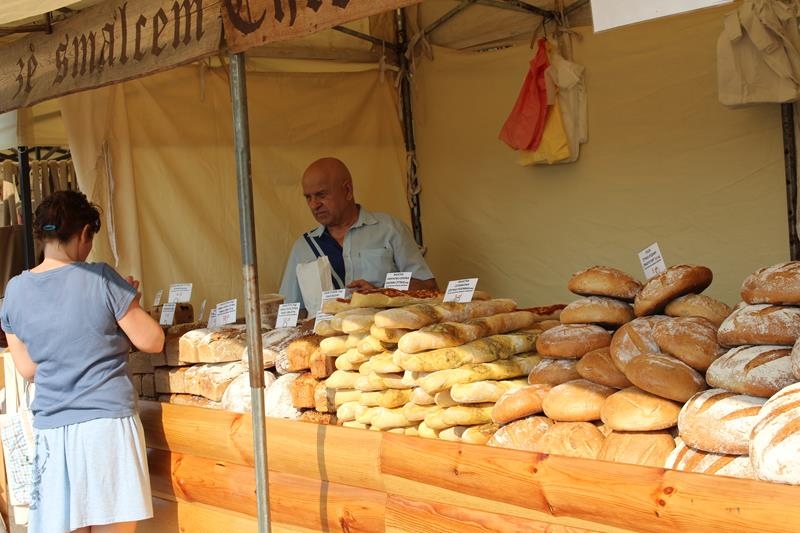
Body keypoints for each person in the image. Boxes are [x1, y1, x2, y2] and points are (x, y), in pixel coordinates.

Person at [0, 190, 164, 533]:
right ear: (85, 233)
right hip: (106, 426)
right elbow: (152, 340)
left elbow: (27, 369)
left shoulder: (14, 291)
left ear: (42, 235)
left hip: (51, 431)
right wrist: (130, 301)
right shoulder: (101, 277)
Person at [280, 158, 437, 310]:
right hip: (325, 329)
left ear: (347, 191)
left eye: (321, 195)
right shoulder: (303, 247)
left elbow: (428, 288)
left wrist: (380, 293)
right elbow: (290, 309)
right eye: (308, 197)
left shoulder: (390, 230)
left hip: (383, 327)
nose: (314, 205)